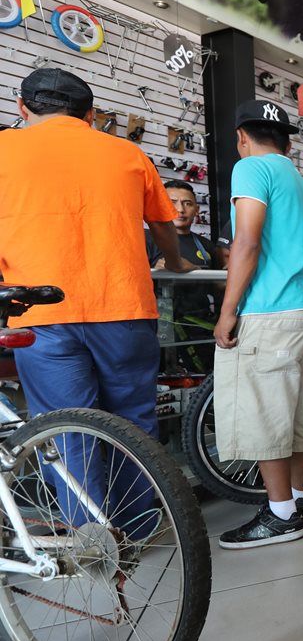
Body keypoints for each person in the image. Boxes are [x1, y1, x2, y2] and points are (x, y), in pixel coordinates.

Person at [0, 67, 193, 537]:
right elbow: (163, 225)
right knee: (133, 424)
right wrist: (174, 261)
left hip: (42, 313)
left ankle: (92, 538)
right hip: (124, 306)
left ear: (23, 107)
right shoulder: (127, 152)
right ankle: (139, 524)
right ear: (90, 115)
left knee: (67, 428)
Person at [213, 99, 303, 550]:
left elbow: (247, 241)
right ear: (288, 140)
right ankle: (297, 501)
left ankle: (281, 514)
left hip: (268, 310)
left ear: (242, 137)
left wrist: (227, 308)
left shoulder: (252, 168)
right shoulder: (299, 181)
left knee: (263, 414)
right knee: (298, 415)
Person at [146, 179, 219, 373]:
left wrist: (192, 268)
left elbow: (221, 285)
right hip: (155, 331)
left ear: (196, 209)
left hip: (200, 330)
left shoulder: (207, 247)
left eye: (187, 203)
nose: (181, 209)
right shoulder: (145, 239)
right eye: (173, 202)